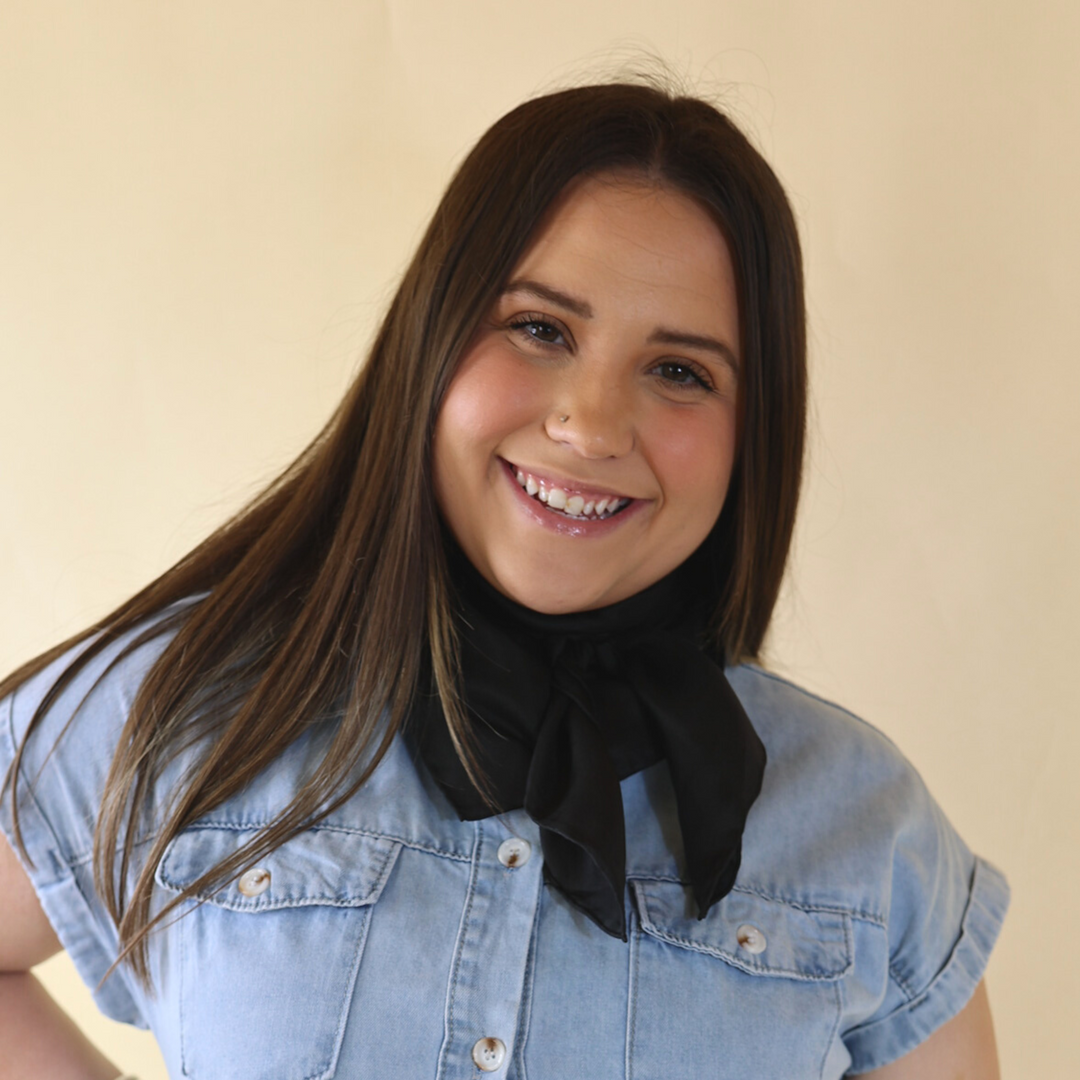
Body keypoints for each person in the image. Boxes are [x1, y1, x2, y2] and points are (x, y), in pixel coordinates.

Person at [0, 81, 1008, 1079]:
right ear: (432, 342)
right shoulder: (177, 706)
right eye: (540, 328)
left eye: (681, 372)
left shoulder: (867, 833)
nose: (593, 424)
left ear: (757, 435)